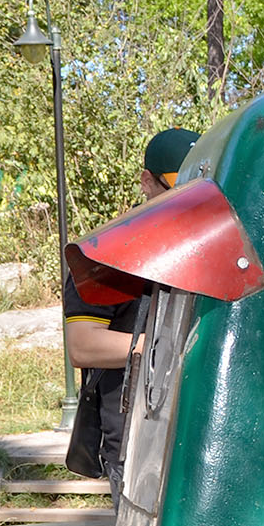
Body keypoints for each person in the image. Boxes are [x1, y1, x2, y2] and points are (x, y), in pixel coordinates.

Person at [63, 127, 202, 490]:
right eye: (174, 190)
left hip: (198, 429)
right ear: (146, 182)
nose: (184, 203)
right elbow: (83, 345)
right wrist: (168, 349)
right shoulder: (105, 255)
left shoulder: (207, 248)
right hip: (136, 438)